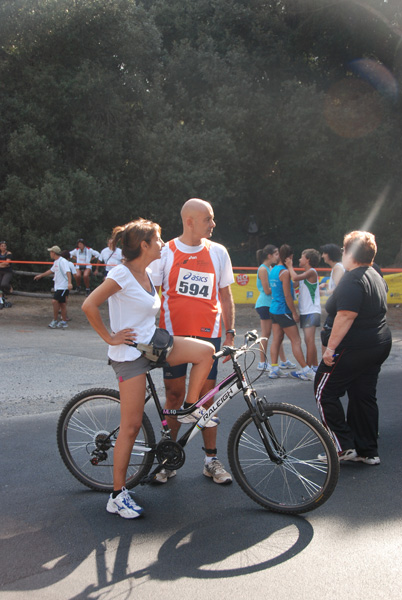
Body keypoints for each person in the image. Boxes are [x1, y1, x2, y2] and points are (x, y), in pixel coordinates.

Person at [82, 218, 215, 519]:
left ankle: (191, 406)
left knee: (206, 352)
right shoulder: (122, 274)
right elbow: (89, 305)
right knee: (130, 427)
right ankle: (117, 495)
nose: (161, 243)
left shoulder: (145, 272)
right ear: (144, 245)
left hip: (153, 344)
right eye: (157, 239)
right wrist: (109, 337)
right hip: (129, 356)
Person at [151, 198, 235, 485]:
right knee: (175, 397)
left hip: (208, 336)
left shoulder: (219, 252)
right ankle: (169, 458)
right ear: (190, 221)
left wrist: (230, 332)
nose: (213, 224)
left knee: (206, 399)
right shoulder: (166, 252)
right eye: (208, 219)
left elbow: (225, 295)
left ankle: (211, 460)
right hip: (173, 336)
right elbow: (149, 292)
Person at [315, 231, 392, 465]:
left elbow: (346, 315)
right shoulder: (375, 274)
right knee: (363, 395)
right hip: (377, 345)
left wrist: (330, 349)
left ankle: (342, 446)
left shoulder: (353, 277)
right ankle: (367, 450)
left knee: (324, 391)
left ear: (350, 253)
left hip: (354, 347)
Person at [269, 244, 315, 381]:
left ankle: (274, 368)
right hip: (284, 310)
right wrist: (294, 313)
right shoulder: (285, 272)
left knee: (277, 338)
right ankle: (306, 369)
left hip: (274, 309)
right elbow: (287, 295)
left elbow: (290, 285)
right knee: (296, 340)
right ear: (290, 257)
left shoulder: (273, 270)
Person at [255, 244, 296, 371]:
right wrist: (280, 287)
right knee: (266, 335)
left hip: (271, 304)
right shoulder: (263, 269)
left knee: (278, 335)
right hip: (265, 304)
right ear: (269, 255)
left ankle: (283, 361)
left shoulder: (270, 268)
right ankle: (262, 362)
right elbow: (267, 290)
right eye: (276, 254)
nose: (279, 256)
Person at [286, 249, 322, 370]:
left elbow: (295, 277)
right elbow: (294, 283)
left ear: (308, 260)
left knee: (309, 341)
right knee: (309, 341)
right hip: (307, 311)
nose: (299, 260)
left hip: (311, 311)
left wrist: (290, 266)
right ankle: (315, 366)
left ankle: (307, 368)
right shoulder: (305, 274)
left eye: (302, 257)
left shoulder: (311, 272)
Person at [34, 246, 73, 328]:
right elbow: (51, 270)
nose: (50, 254)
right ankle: (64, 322)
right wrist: (41, 275)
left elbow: (68, 272)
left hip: (63, 286)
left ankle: (55, 320)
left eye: (50, 252)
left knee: (55, 301)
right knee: (62, 304)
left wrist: (69, 283)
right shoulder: (56, 262)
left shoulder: (63, 261)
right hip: (58, 286)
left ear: (54, 253)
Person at [0, 241, 13, 309]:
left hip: (7, 272)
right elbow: (4, 264)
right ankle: (1, 300)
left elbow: (7, 263)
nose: (3, 247)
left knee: (4, 284)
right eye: (2, 246)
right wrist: (2, 265)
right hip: (0, 271)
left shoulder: (8, 253)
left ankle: (10, 287)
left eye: (4, 246)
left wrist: (2, 264)